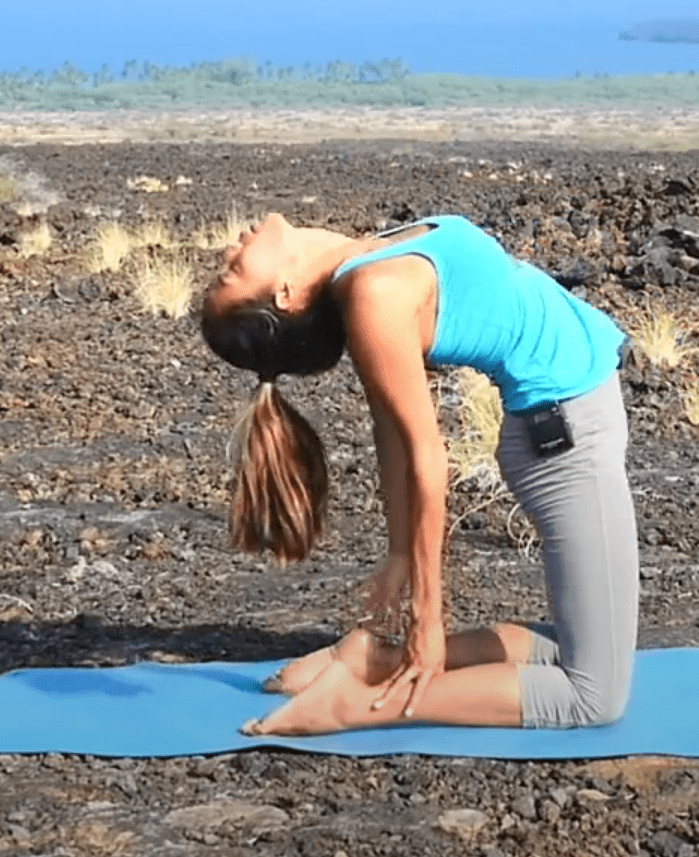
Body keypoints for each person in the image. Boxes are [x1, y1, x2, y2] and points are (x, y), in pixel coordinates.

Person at [200, 212, 639, 736]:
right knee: (593, 696)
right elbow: (427, 458)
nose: (229, 252)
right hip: (567, 442)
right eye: (232, 274)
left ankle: (374, 660)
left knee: (582, 645)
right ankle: (349, 708)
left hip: (570, 422)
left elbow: (391, 433)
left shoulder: (366, 257)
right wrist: (425, 619)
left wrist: (401, 555)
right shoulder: (373, 295)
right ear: (286, 295)